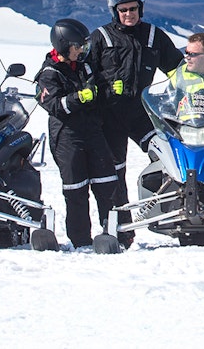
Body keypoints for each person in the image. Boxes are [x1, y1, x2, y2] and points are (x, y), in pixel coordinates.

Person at [87, 0, 183, 240]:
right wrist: (102, 87)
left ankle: (178, 216)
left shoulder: (154, 36)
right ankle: (119, 231)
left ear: (141, 7)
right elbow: (85, 75)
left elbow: (177, 70)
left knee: (170, 157)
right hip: (110, 116)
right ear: (114, 11)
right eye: (123, 10)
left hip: (144, 114)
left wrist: (188, 92)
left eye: (133, 8)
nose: (129, 14)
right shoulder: (100, 37)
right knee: (113, 174)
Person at [36, 18, 119, 249]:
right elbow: (52, 104)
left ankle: (114, 233)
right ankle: (81, 240)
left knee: (106, 182)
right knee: (76, 188)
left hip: (92, 130)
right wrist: (77, 98)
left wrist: (110, 88)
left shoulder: (84, 65)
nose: (81, 50)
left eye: (83, 45)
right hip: (67, 135)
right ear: (63, 45)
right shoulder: (49, 73)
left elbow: (97, 85)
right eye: (77, 46)